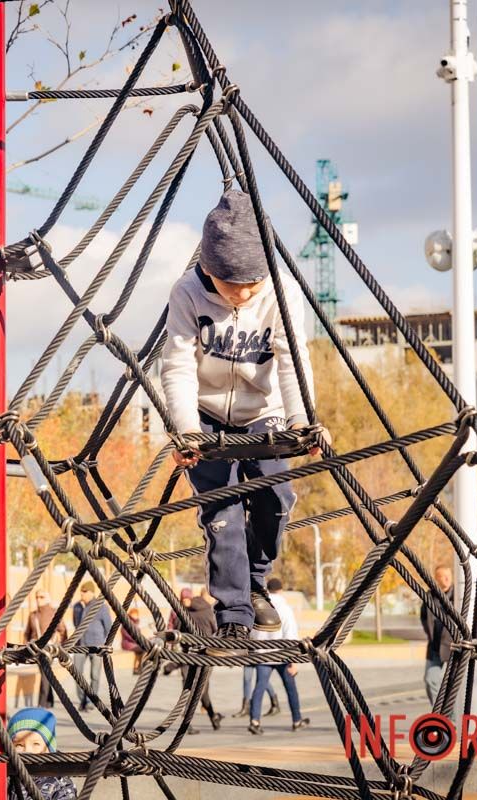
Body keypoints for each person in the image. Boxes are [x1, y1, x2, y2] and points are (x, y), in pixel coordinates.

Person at [162, 189, 321, 642]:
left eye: (254, 280)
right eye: (234, 284)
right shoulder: (188, 294)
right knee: (223, 512)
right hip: (207, 414)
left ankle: (254, 584)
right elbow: (176, 364)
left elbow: (293, 358)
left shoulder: (279, 292)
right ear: (210, 270)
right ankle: (232, 610)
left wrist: (300, 419)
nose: (246, 292)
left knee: (276, 499)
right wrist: (187, 430)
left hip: (264, 411)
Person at [248, 577, 308, 733]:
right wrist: (293, 661)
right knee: (290, 688)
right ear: (281, 590)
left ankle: (254, 721)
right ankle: (297, 720)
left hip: (263, 654)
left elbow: (253, 630)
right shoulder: (285, 608)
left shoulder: (259, 606)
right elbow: (291, 633)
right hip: (282, 654)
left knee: (259, 687)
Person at [168, 588, 223, 731]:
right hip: (207, 655)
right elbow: (215, 630)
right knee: (201, 688)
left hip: (189, 655)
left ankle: (200, 719)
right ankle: (209, 718)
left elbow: (177, 630)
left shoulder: (183, 613)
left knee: (189, 688)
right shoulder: (208, 611)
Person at [7, 708, 77, 800]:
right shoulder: (8, 777)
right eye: (19, 745)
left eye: (36, 744)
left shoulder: (60, 784)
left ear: (49, 749)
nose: (27, 750)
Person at [71, 582, 111, 712]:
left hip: (96, 646)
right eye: (81, 591)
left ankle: (90, 701)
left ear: (92, 592)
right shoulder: (77, 606)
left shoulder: (101, 607)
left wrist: (103, 643)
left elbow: (108, 628)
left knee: (95, 675)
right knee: (77, 674)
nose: (82, 593)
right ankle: (83, 699)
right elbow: (75, 624)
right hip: (80, 645)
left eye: (85, 591)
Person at [419, 565, 455, 705]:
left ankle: (451, 720)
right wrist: (430, 634)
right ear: (436, 579)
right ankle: (441, 715)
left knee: (453, 687)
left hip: (453, 646)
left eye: (448, 575)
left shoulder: (458, 596)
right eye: (442, 576)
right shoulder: (429, 596)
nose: (446, 579)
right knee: (430, 679)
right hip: (435, 646)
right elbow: (423, 617)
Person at [26, 588, 68, 707]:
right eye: (37, 597)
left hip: (49, 650)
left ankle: (42, 703)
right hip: (36, 650)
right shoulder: (33, 615)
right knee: (46, 674)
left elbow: (63, 630)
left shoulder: (55, 614)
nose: (38, 600)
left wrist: (62, 650)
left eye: (42, 597)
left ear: (48, 599)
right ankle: (50, 700)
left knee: (45, 674)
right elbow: (28, 633)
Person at [121, 607, 146, 674]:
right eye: (134, 614)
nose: (136, 616)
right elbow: (127, 635)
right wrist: (138, 640)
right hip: (127, 643)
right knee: (142, 649)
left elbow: (139, 634)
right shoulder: (126, 623)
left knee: (142, 650)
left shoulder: (136, 623)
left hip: (135, 643)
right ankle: (139, 667)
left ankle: (138, 667)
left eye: (136, 614)